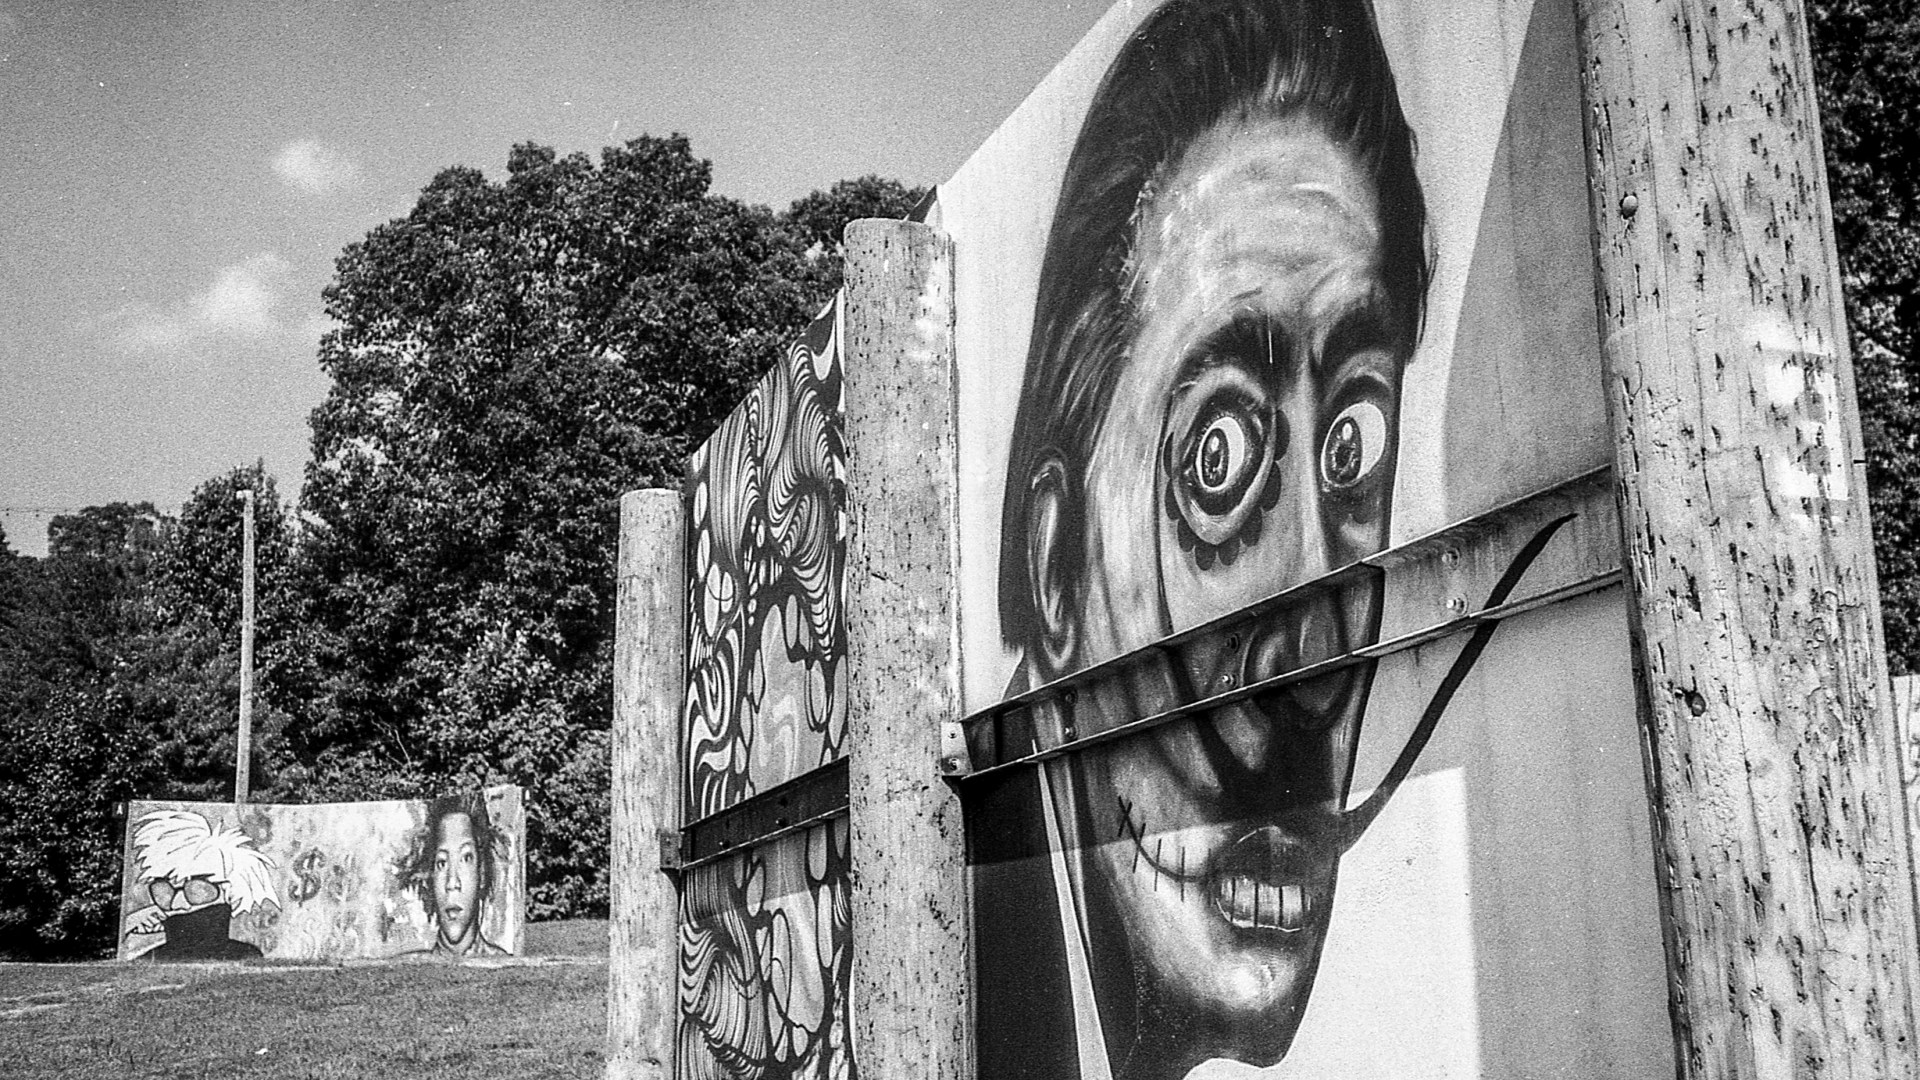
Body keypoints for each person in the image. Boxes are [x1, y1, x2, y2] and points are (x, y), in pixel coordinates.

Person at [982, 0, 1431, 1076]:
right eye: (1218, 461)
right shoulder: (980, 972)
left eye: (1352, 452)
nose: (1314, 667)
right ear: (1055, 571)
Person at [123, 810, 279, 961]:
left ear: (228, 891)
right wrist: (132, 924)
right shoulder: (151, 958)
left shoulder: (245, 956)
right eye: (163, 893)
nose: (179, 903)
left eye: (197, 891)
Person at [400, 794, 509, 958]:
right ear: (430, 877)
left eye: (466, 858)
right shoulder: (409, 965)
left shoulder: (503, 964)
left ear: (481, 873)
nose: (452, 883)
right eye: (442, 863)